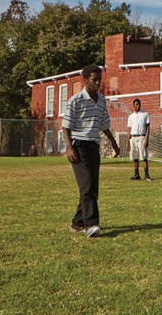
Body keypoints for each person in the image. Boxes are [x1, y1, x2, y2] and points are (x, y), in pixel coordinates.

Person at [62, 65, 120, 237]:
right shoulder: (75, 100)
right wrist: (69, 147)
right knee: (86, 185)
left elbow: (104, 124)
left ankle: (77, 223)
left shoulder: (101, 100)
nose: (97, 83)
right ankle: (91, 224)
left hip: (93, 145)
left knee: (92, 187)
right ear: (85, 80)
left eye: (99, 80)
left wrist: (114, 143)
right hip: (78, 146)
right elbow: (66, 126)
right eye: (94, 80)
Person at [127, 98, 151, 181]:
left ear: (140, 105)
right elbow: (129, 129)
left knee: (143, 157)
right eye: (135, 104)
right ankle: (136, 174)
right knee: (135, 157)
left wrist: (147, 139)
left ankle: (146, 175)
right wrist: (128, 141)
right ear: (133, 106)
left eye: (138, 104)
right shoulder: (131, 116)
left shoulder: (145, 114)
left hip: (141, 137)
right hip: (133, 137)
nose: (137, 106)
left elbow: (148, 128)